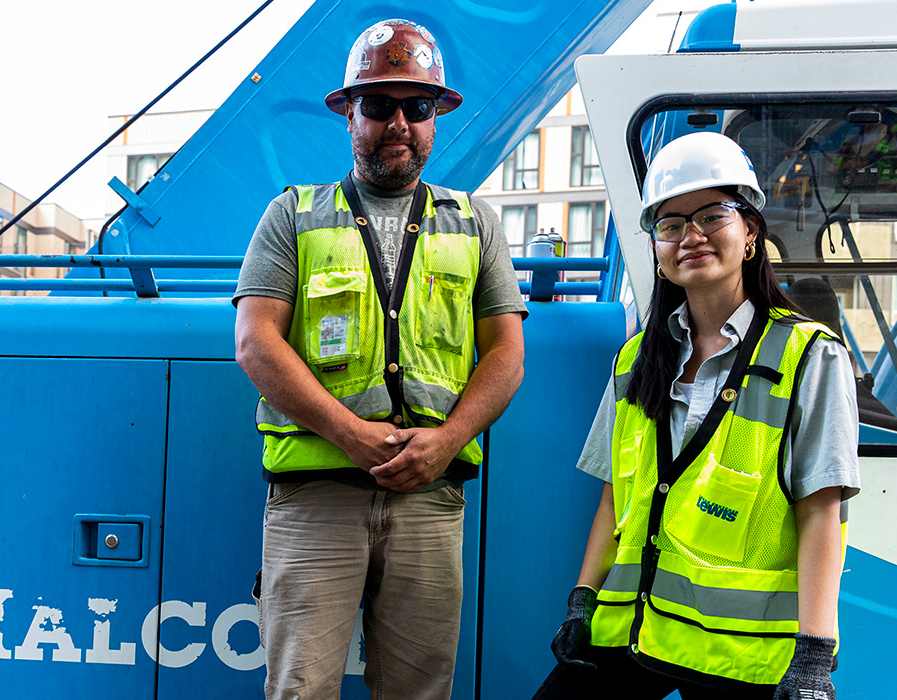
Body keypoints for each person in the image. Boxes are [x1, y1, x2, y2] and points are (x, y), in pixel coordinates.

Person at [232, 18, 527, 700]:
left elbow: (506, 354)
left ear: (435, 119)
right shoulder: (292, 215)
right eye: (379, 105)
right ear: (348, 116)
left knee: (419, 692)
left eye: (416, 107)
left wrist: (448, 440)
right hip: (316, 500)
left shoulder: (475, 223)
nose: (398, 122)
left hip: (429, 496)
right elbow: (254, 342)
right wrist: (352, 436)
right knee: (299, 690)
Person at [535, 132, 859, 700]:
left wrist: (814, 657)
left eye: (713, 215)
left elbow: (820, 514)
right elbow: (615, 496)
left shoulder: (809, 355)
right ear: (657, 251)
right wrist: (582, 600)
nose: (692, 235)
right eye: (671, 223)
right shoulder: (636, 359)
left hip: (741, 651)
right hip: (636, 629)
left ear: (750, 232)